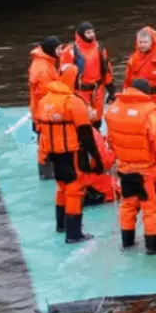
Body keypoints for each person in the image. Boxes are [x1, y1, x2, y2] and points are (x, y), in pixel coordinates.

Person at [34, 64, 105, 243]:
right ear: (73, 79)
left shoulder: (44, 100)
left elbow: (38, 128)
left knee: (62, 187)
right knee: (74, 189)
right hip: (71, 152)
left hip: (52, 153)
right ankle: (74, 233)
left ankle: (61, 225)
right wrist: (97, 157)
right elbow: (86, 134)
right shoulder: (73, 102)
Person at [105, 79, 156, 253]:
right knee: (150, 209)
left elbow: (110, 140)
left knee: (127, 206)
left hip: (125, 169)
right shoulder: (150, 111)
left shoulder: (113, 109)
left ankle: (127, 243)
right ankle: (153, 247)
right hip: (147, 170)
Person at [58, 21, 114, 124]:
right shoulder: (70, 51)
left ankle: (96, 137)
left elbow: (106, 69)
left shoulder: (100, 48)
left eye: (92, 31)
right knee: (82, 119)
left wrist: (111, 89)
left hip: (98, 89)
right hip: (80, 91)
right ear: (81, 34)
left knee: (97, 119)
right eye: (88, 32)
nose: (91, 34)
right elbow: (64, 74)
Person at [28, 35, 61, 179]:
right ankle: (46, 174)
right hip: (44, 115)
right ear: (51, 50)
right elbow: (46, 95)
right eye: (59, 48)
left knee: (46, 145)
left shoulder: (44, 63)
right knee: (46, 147)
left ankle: (48, 172)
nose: (61, 51)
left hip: (41, 112)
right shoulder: (43, 69)